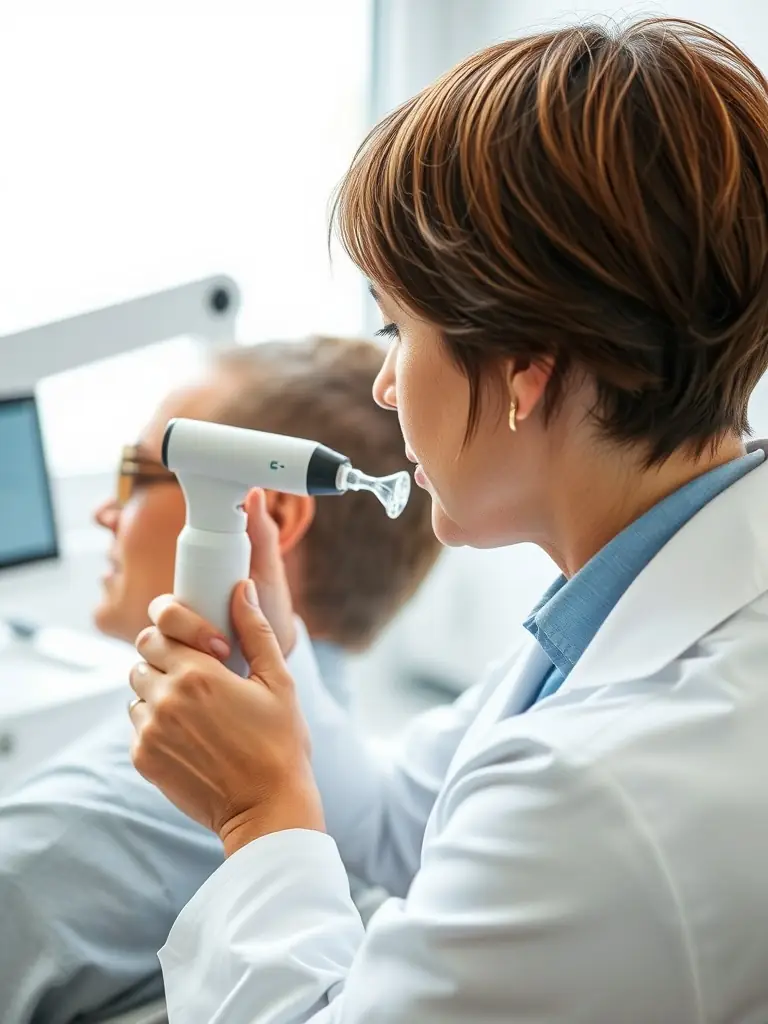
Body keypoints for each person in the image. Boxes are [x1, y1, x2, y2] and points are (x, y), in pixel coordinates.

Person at [126, 17, 768, 1024]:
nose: (385, 385)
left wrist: (259, 815)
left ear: (526, 367)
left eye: (396, 326)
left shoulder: (604, 794)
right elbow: (398, 817)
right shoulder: (625, 597)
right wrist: (277, 662)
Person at [0, 335, 441, 1024]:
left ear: (265, 513)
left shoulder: (68, 837)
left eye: (136, 474)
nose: (103, 512)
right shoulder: (348, 772)